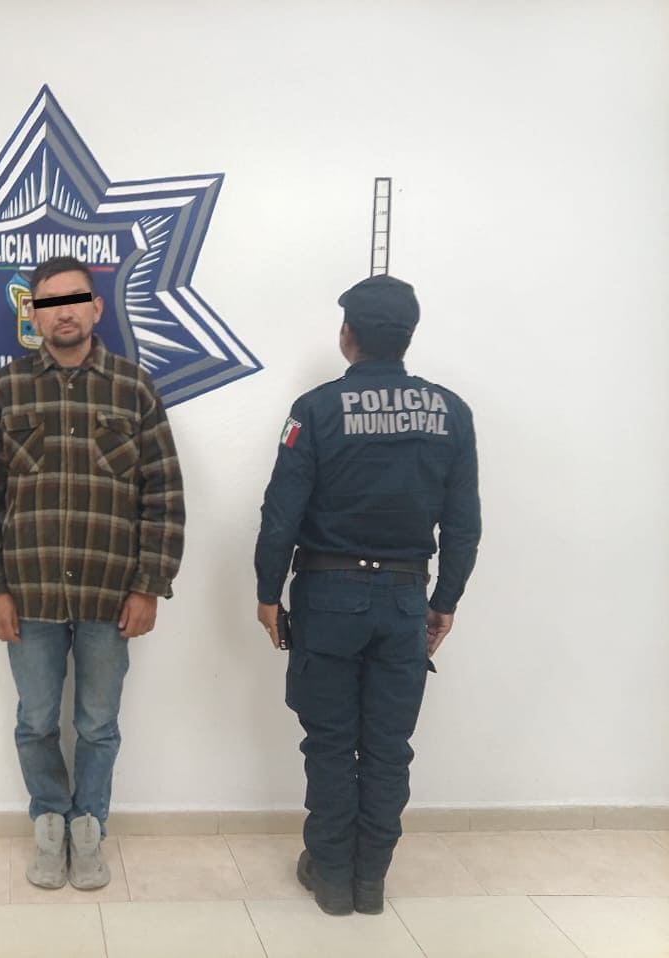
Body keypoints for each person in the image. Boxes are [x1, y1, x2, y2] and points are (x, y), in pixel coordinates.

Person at [254, 274, 480, 916]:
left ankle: (331, 878)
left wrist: (268, 591)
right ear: (408, 336)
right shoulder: (451, 412)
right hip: (406, 600)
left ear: (347, 334)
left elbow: (281, 514)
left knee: (329, 743)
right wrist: (445, 601)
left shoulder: (316, 410)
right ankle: (371, 880)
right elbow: (463, 524)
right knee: (387, 748)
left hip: (328, 599)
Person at [0, 255, 185, 891]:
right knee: (35, 721)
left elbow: (164, 496)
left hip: (109, 595)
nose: (63, 313)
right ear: (32, 316)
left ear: (96, 308)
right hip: (27, 595)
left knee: (97, 724)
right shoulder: (6, 391)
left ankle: (88, 825)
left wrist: (149, 586)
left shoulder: (134, 390)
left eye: (74, 299)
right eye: (48, 303)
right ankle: (49, 820)